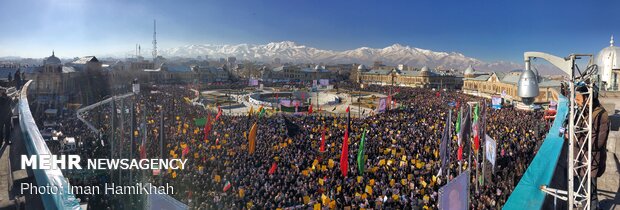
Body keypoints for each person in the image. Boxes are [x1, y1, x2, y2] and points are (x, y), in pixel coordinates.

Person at [574, 84, 609, 209]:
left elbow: (597, 143)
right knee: (585, 190)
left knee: (590, 192)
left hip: (591, 161)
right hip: (582, 160)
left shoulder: (600, 116)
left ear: (588, 98)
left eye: (578, 98)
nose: (576, 101)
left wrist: (574, 137)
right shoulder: (585, 111)